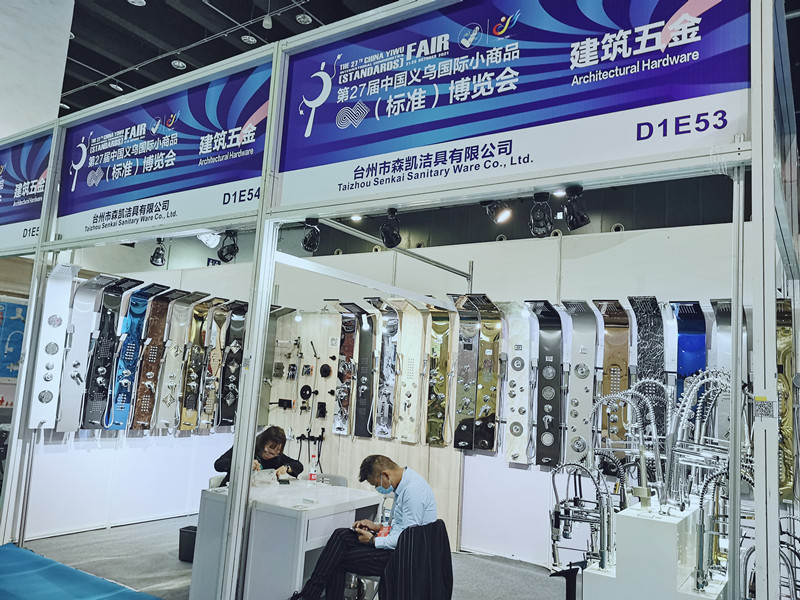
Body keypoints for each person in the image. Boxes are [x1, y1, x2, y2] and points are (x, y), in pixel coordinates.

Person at [288, 454, 437, 600]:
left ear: (385, 475)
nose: (378, 488)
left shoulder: (413, 491)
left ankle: (308, 596)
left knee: (337, 559)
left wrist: (373, 540)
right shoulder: (402, 484)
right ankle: (309, 595)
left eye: (376, 484)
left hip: (405, 556)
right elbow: (399, 524)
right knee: (341, 535)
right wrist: (377, 526)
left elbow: (408, 539)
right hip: (395, 543)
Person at [214, 425, 303, 486]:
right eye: (266, 451)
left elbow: (299, 465)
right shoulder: (245, 447)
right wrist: (245, 463)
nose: (268, 455)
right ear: (261, 443)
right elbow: (218, 464)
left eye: (273, 453)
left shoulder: (278, 457)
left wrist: (286, 467)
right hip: (233, 490)